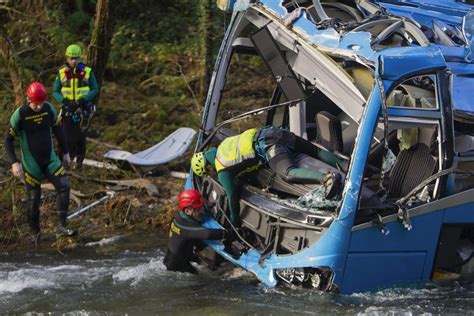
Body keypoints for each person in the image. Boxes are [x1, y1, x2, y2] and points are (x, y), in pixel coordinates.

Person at [191, 127, 343, 225]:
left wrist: (234, 220)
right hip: (273, 131)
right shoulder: (223, 145)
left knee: (288, 174)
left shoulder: (222, 168)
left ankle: (326, 178)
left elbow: (232, 197)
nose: (212, 173)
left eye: (208, 171)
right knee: (315, 151)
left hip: (269, 145)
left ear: (208, 166)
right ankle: (345, 164)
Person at [4, 82, 77, 241]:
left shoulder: (48, 109)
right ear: (29, 100)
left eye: (40, 103)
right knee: (33, 198)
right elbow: (8, 140)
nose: (38, 107)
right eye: (35, 104)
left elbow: (58, 130)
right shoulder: (20, 114)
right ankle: (36, 234)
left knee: (64, 186)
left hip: (50, 159)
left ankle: (61, 227)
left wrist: (66, 153)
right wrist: (14, 163)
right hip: (31, 164)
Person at [52, 44, 99, 168]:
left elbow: (95, 89)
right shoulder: (62, 72)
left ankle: (79, 164)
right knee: (64, 136)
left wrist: (82, 100)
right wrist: (65, 101)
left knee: (81, 137)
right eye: (71, 58)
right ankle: (63, 162)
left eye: (76, 58)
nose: (74, 61)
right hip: (67, 108)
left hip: (82, 109)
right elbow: (55, 91)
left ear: (80, 58)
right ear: (66, 58)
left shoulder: (88, 71)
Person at [163, 189, 226, 273]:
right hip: (177, 267)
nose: (202, 211)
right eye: (199, 209)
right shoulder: (186, 227)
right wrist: (227, 233)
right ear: (188, 211)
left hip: (180, 257)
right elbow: (208, 234)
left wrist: (208, 205)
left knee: (211, 265)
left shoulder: (180, 216)